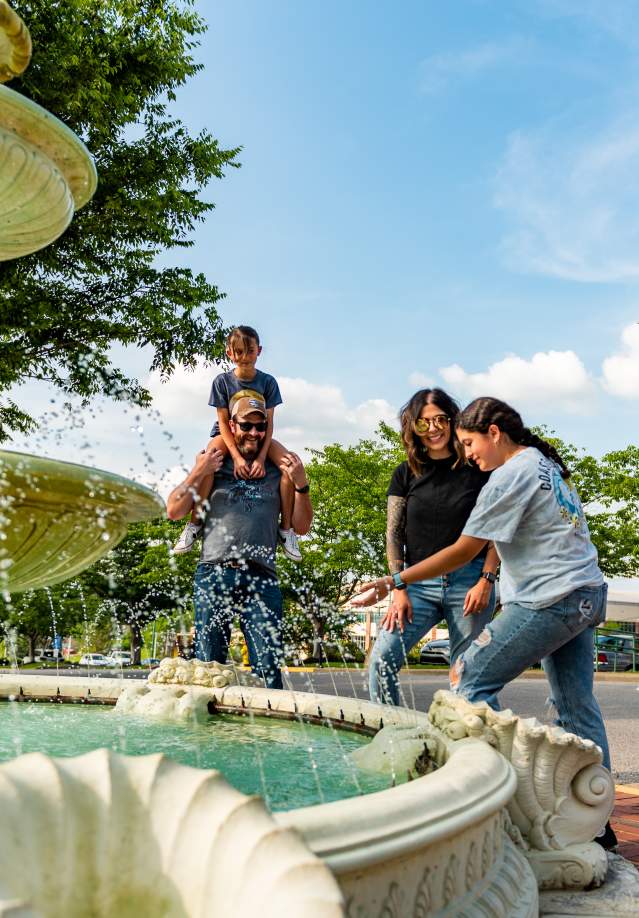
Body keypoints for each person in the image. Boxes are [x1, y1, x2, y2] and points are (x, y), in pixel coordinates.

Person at [353, 396, 616, 848]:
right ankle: (596, 821)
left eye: (469, 442)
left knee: (466, 677)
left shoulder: (507, 477)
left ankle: (486, 804)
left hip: (549, 600)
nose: (468, 454)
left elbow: (464, 551)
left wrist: (393, 579)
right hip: (586, 595)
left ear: (494, 433)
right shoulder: (542, 462)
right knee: (576, 706)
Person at [166, 394, 313, 689]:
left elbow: (303, 526)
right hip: (214, 573)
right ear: (232, 426)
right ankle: (212, 735)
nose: (254, 433)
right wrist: (199, 470)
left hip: (262, 577)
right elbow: (173, 509)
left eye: (261, 427)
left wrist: (301, 484)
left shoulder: (277, 470)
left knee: (268, 670)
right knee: (209, 669)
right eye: (246, 426)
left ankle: (264, 734)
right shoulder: (215, 463)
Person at [368, 388, 498, 706]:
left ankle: (479, 750)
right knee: (380, 661)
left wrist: (487, 579)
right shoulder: (405, 473)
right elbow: (393, 535)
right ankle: (393, 739)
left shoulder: (478, 469)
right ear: (414, 427)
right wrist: (398, 588)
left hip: (469, 582)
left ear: (453, 421)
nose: (434, 428)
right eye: (424, 423)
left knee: (467, 677)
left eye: (440, 419)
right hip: (415, 584)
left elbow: (498, 529)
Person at [173, 325, 301, 561]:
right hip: (228, 433)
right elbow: (223, 422)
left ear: (259, 351)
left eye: (250, 351)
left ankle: (286, 530)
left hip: (260, 431)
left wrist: (262, 458)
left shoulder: (268, 382)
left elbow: (269, 422)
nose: (244, 357)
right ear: (229, 353)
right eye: (239, 352)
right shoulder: (222, 382)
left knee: (289, 463)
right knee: (210, 458)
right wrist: (239, 458)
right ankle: (194, 523)